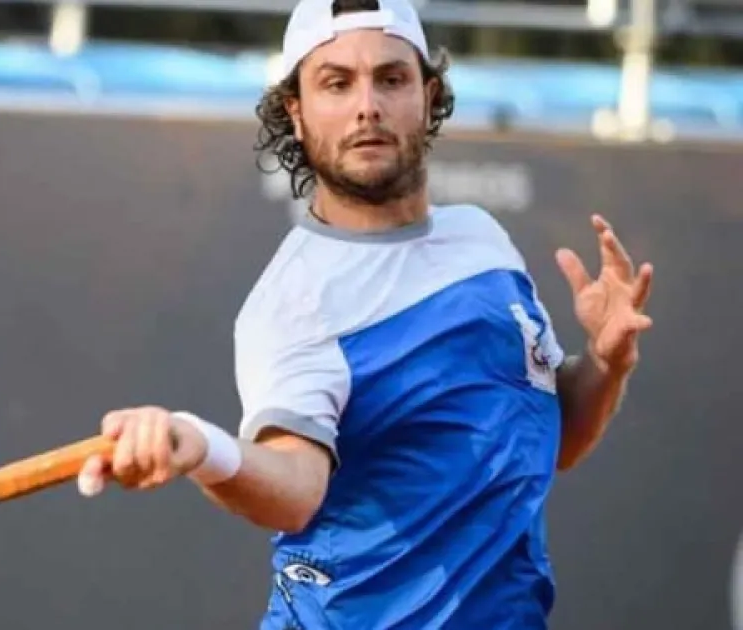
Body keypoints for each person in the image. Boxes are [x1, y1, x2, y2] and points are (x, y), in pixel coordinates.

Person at [75, 0, 655, 626]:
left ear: (428, 97)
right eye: (337, 83)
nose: (367, 106)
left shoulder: (482, 241)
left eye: (391, 78)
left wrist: (606, 361)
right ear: (296, 113)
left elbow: (549, 439)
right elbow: (295, 490)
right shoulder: (296, 302)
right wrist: (201, 445)